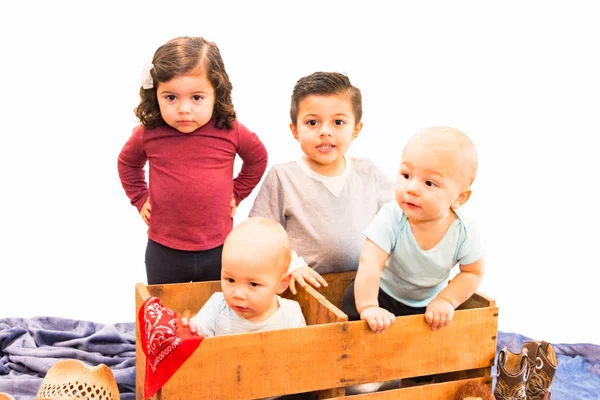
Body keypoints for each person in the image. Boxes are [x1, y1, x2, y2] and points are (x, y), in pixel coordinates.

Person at [118, 36, 268, 285]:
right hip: (163, 249)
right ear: (155, 95)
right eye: (171, 97)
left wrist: (238, 192)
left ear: (215, 93)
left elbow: (258, 159)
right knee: (165, 310)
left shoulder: (229, 129)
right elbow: (127, 163)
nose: (183, 109)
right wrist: (139, 197)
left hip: (218, 247)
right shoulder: (149, 134)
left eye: (196, 97)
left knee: (216, 311)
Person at [249, 72, 395, 294]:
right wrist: (290, 264)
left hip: (363, 285)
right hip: (303, 289)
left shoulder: (368, 172)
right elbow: (259, 233)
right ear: (295, 130)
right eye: (312, 122)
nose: (325, 131)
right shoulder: (283, 177)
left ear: (356, 129)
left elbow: (402, 215)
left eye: (338, 122)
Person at [342, 127, 484, 334]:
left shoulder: (464, 230)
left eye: (429, 183)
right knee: (352, 313)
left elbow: (473, 272)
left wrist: (446, 300)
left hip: (427, 304)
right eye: (406, 175)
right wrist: (369, 306)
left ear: (460, 197)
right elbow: (369, 264)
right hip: (380, 292)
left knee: (434, 333)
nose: (411, 188)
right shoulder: (392, 216)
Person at [180, 217, 306, 336]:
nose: (238, 294)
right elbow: (196, 338)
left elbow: (305, 353)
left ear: (281, 283)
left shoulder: (290, 314)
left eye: (253, 284)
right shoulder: (217, 306)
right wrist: (189, 332)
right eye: (230, 280)